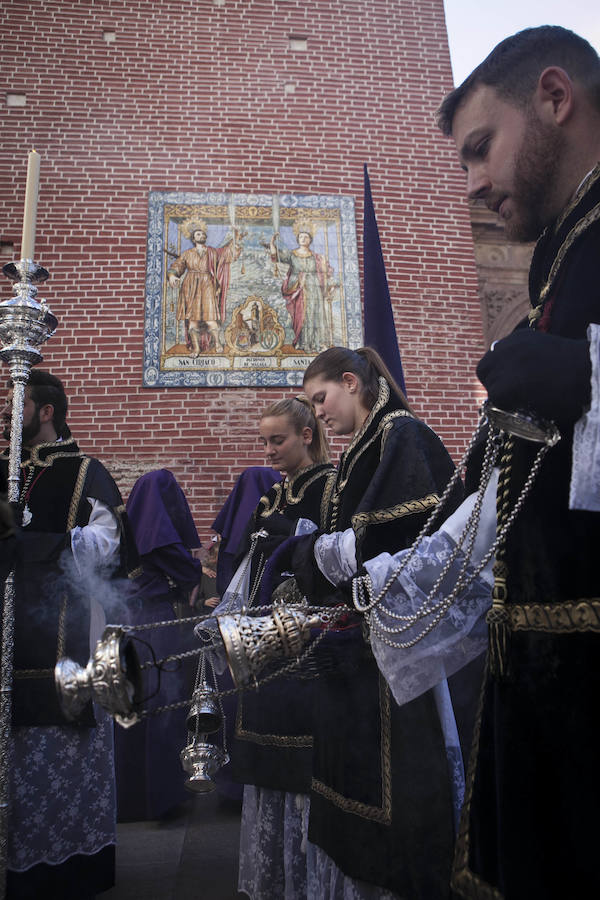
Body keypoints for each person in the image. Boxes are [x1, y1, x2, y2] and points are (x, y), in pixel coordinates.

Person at [330, 26, 600, 900]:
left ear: (555, 99)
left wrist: (586, 376)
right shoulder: (558, 259)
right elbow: (503, 510)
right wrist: (387, 590)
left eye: (480, 150)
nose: (474, 185)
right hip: (545, 689)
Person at [264, 347, 470, 898]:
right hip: (365, 646)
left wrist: (309, 550)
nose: (318, 414)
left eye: (321, 399)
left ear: (351, 382)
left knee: (405, 789)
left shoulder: (399, 434)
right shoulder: (363, 447)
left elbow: (394, 546)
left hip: (405, 651)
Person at [0, 369, 139, 899]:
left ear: (47, 411)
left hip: (62, 633)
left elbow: (107, 543)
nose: (10, 412)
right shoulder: (4, 470)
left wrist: (35, 545)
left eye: (20, 402)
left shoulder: (85, 472)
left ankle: (63, 869)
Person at [225, 396, 336, 899]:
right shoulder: (269, 498)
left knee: (304, 770)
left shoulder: (333, 487)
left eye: (278, 440)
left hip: (309, 645)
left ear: (306, 435)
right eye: (265, 440)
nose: (268, 450)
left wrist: (297, 535)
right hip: (263, 643)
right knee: (269, 769)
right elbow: (248, 568)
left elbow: (339, 558)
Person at [114, 468, 204, 822]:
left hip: (127, 624)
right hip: (155, 624)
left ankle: (132, 797)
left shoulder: (130, 534)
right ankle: (161, 798)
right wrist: (193, 572)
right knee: (162, 703)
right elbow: (185, 569)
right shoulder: (158, 539)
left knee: (130, 706)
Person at [168, 218, 241, 355]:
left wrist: (235, 235)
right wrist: (172, 275)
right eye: (197, 234)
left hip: (207, 285)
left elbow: (227, 253)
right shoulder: (187, 254)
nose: (201, 236)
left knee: (210, 319)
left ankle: (218, 343)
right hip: (190, 286)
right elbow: (177, 265)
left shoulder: (212, 252)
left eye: (202, 234)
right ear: (193, 239)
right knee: (193, 321)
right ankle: (196, 348)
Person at [270, 218, 333, 351]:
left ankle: (317, 342)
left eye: (306, 237)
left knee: (316, 315)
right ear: (297, 239)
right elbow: (277, 256)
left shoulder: (316, 257)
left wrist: (328, 282)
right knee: (301, 316)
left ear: (310, 240)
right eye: (301, 237)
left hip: (314, 289)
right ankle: (302, 342)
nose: (303, 239)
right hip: (299, 288)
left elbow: (326, 271)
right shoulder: (292, 255)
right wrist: (272, 242)